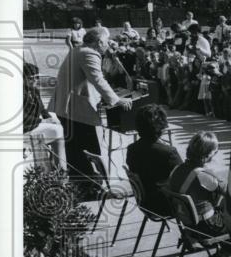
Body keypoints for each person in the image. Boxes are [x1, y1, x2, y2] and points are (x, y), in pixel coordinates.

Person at [48, 26, 133, 181]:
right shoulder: (89, 53)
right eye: (106, 41)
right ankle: (89, 186)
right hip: (76, 111)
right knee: (85, 150)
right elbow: (98, 80)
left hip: (67, 108)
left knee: (74, 151)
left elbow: (87, 81)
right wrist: (117, 100)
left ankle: (81, 185)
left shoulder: (78, 50)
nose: (108, 44)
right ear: (99, 42)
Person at [125, 104, 182, 216]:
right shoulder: (168, 152)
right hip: (165, 205)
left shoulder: (131, 148)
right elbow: (183, 177)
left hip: (144, 201)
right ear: (162, 127)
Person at [22, 62, 66, 169]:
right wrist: (43, 121)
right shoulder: (20, 93)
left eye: (37, 77)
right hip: (25, 129)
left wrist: (50, 119)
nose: (35, 80)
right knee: (58, 131)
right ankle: (61, 169)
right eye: (31, 78)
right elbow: (23, 118)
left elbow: (42, 109)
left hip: (33, 126)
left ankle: (57, 165)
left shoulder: (34, 91)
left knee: (57, 124)